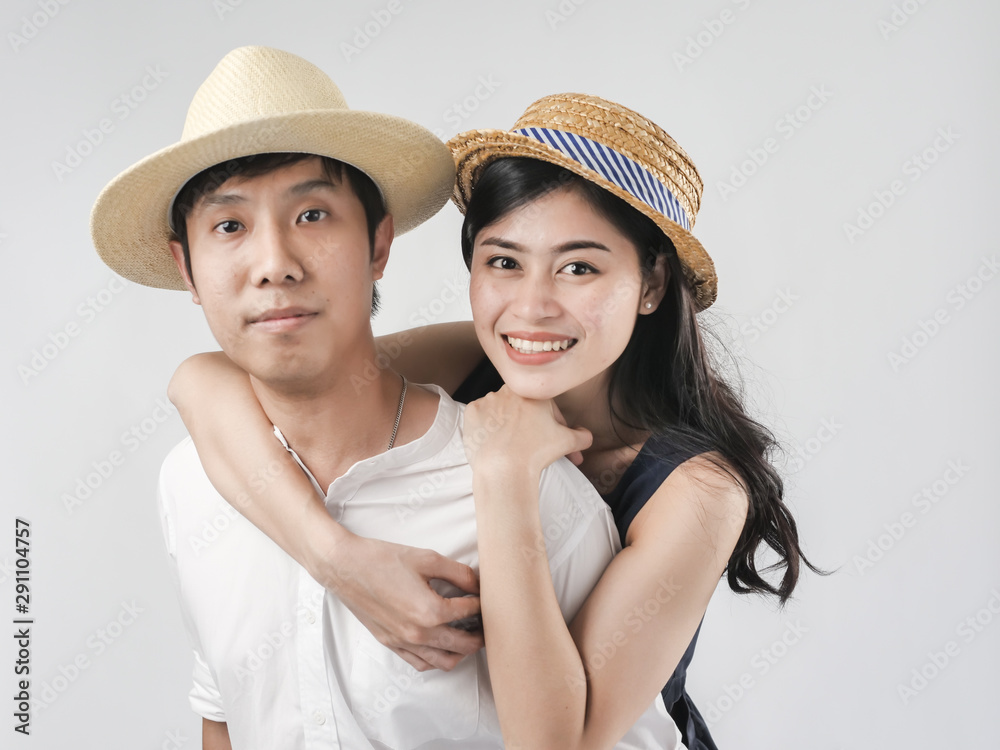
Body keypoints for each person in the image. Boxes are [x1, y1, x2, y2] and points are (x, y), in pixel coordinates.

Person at [169, 93, 817, 748]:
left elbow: (565, 740)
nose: (532, 308)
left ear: (651, 283)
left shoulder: (700, 492)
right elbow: (212, 381)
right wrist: (337, 560)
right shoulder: (475, 355)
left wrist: (504, 472)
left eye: (579, 268)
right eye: (504, 261)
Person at [90, 48, 678, 749]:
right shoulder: (192, 480)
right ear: (186, 266)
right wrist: (336, 557)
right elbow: (225, 710)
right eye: (229, 226)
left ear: (379, 245)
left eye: (311, 215)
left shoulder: (543, 496)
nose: (274, 263)